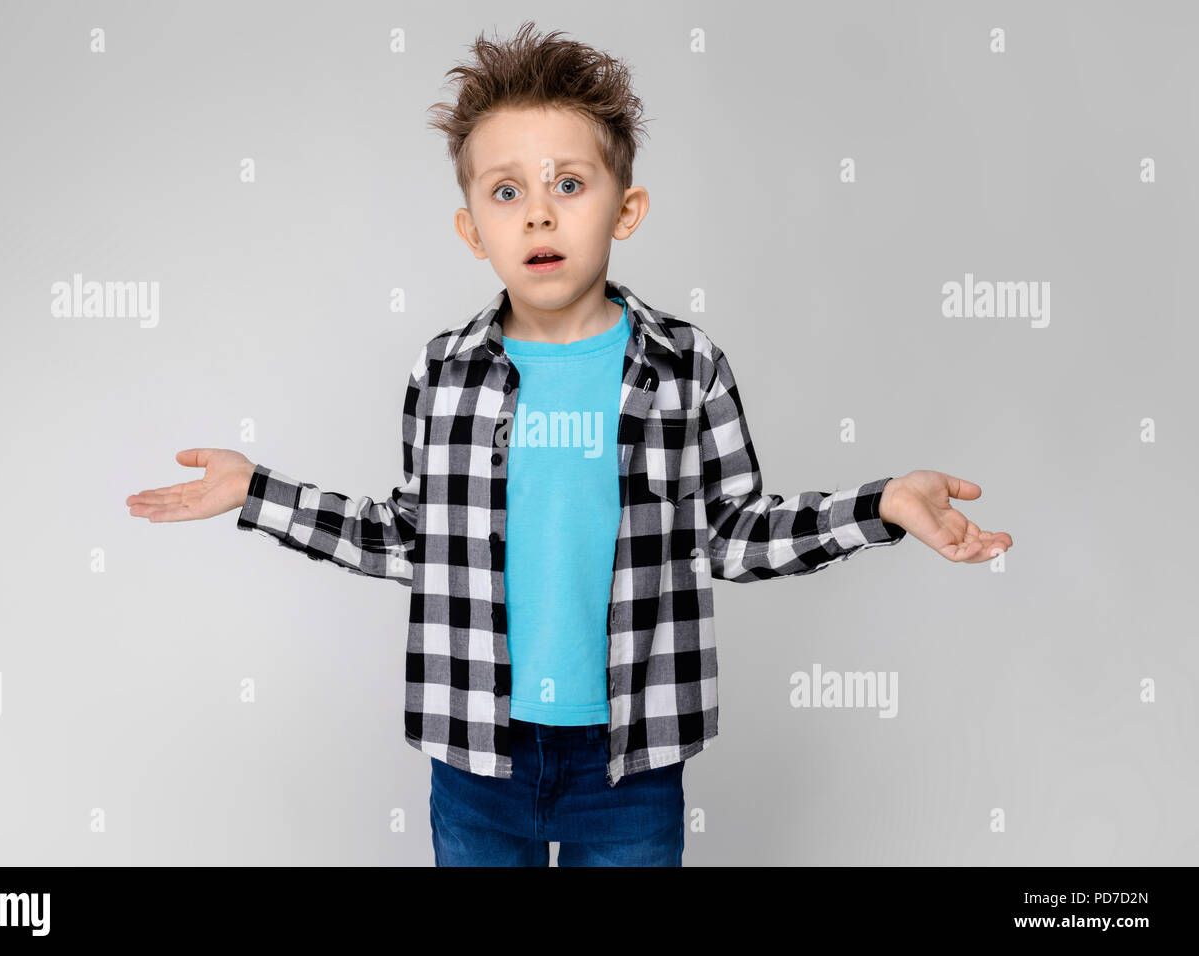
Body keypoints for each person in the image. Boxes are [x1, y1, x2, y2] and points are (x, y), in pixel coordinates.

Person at [126, 22, 1013, 867]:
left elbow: (732, 533)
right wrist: (256, 494)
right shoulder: (444, 372)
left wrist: (881, 507)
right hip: (475, 751)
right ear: (473, 228)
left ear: (626, 210)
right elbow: (409, 537)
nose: (539, 217)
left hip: (631, 759)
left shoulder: (686, 366)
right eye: (506, 192)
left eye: (570, 186)